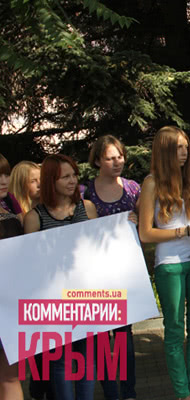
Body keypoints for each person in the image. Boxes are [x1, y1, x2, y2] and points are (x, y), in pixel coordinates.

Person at [138, 126, 190, 400]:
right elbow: (146, 234)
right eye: (178, 148)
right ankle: (182, 393)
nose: (185, 153)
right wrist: (185, 231)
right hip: (170, 265)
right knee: (173, 331)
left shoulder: (188, 178)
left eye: (186, 147)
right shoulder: (151, 183)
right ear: (165, 151)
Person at [23, 154, 98, 400]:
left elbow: (100, 250)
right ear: (50, 180)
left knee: (87, 359)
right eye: (65, 176)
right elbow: (31, 264)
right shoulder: (35, 217)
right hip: (54, 301)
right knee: (61, 361)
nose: (72, 180)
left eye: (74, 174)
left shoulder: (87, 208)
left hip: (87, 296)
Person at [85, 135, 140, 400]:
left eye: (120, 156)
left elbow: (146, 225)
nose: (117, 162)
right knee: (100, 339)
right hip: (96, 274)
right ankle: (111, 392)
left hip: (125, 272)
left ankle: (128, 391)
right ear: (97, 161)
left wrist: (138, 220)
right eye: (110, 158)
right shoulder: (85, 192)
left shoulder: (133, 188)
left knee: (123, 337)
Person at [0, 153, 24, 400]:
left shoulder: (11, 214)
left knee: (10, 377)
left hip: (8, 308)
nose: (3, 180)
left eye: (6, 174)